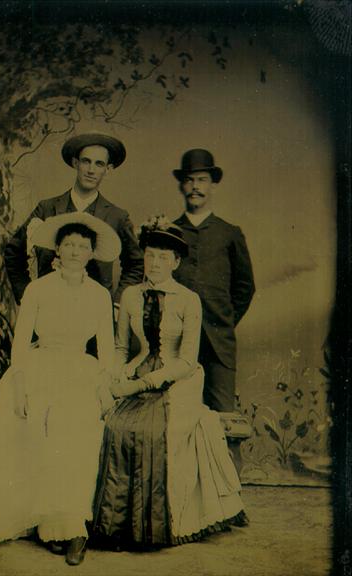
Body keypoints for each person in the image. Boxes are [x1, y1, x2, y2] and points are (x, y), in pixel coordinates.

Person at [0, 212, 120, 566]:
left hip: (81, 370)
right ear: (58, 250)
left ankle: (73, 527)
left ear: (91, 254)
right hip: (39, 367)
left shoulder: (98, 295)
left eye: (83, 246)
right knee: (14, 426)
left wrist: (105, 387)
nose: (75, 252)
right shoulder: (38, 289)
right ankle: (46, 521)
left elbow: (107, 350)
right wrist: (19, 390)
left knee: (74, 432)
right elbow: (21, 345)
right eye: (69, 245)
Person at [92, 216, 246, 550]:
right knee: (113, 424)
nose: (155, 263)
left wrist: (142, 384)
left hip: (180, 378)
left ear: (176, 262)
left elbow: (187, 361)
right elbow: (121, 347)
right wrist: (118, 374)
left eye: (164, 257)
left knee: (152, 430)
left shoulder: (188, 299)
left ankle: (155, 526)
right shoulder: (131, 295)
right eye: (150, 255)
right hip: (140, 365)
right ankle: (118, 526)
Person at [4, 132, 144, 309]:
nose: (91, 170)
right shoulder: (47, 208)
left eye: (99, 164)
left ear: (108, 169)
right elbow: (13, 252)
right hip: (48, 311)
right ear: (75, 163)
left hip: (95, 314)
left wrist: (116, 304)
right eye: (86, 161)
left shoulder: (117, 216)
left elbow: (136, 264)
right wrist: (27, 297)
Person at [172, 149, 255, 423]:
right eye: (190, 180)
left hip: (219, 343)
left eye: (202, 179)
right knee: (177, 415)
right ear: (182, 185)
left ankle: (225, 468)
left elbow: (245, 288)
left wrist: (224, 321)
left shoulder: (229, 233)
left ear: (212, 184)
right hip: (176, 341)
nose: (196, 187)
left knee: (223, 420)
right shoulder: (169, 232)